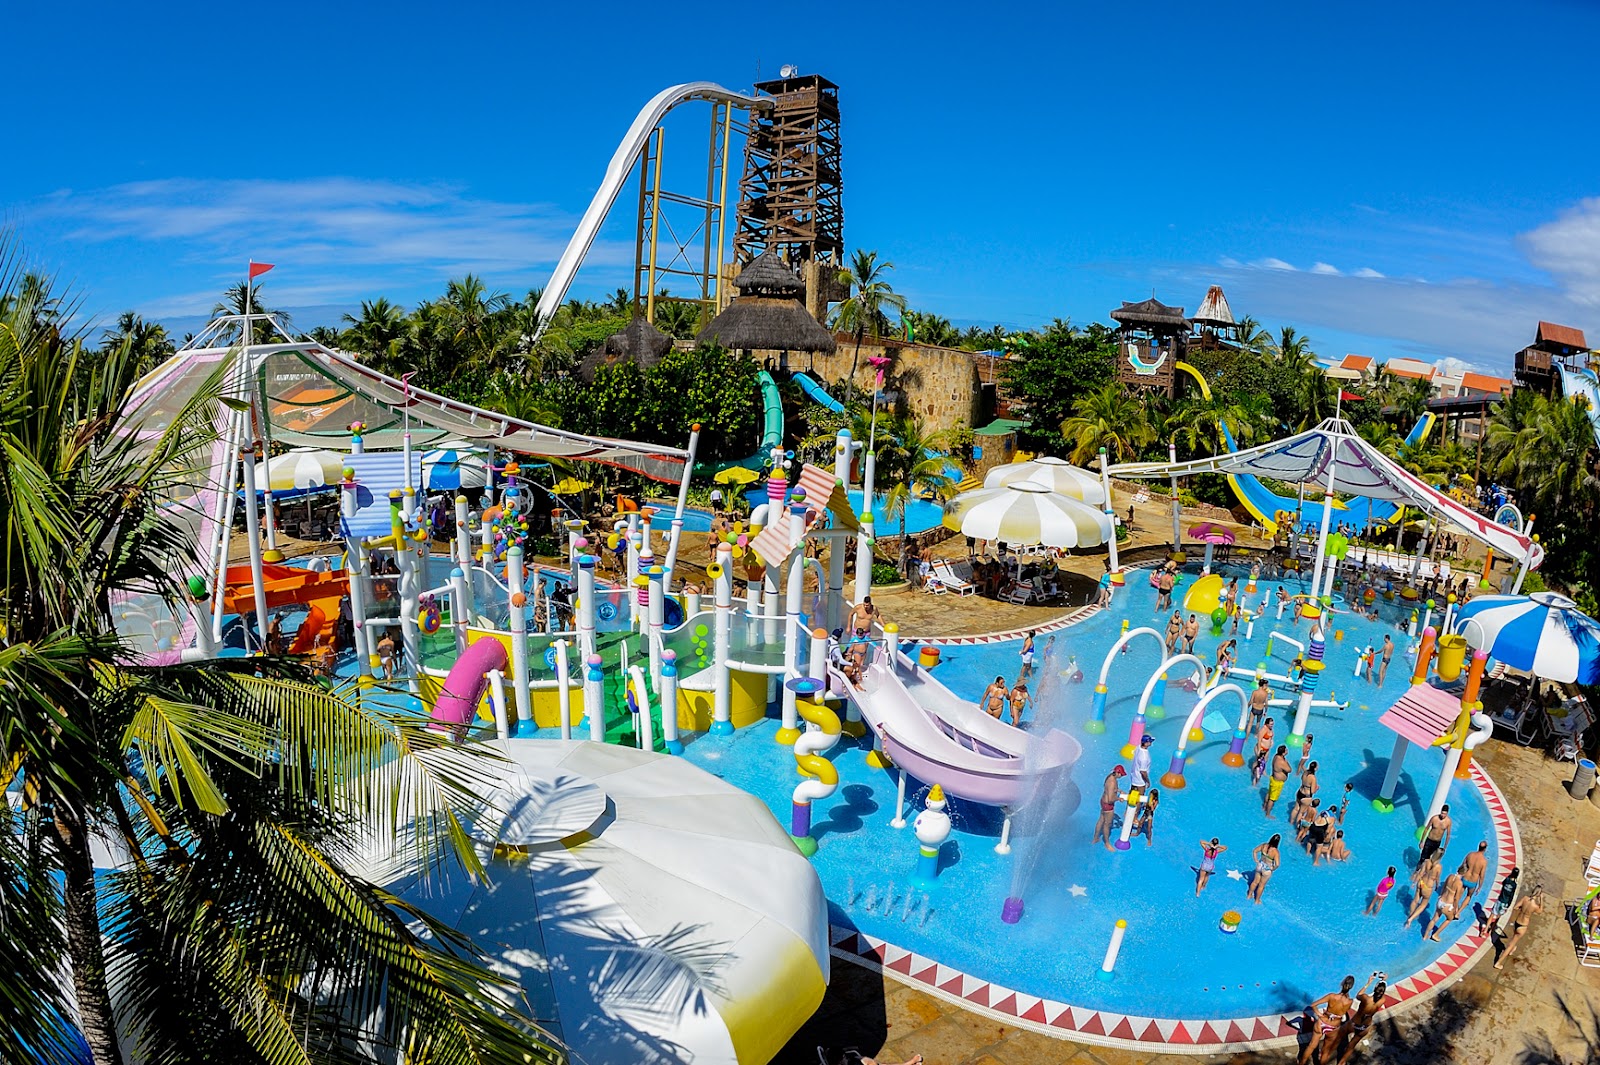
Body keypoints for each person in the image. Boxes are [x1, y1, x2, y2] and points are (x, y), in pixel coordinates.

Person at [1299, 974, 1356, 1065]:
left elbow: (1313, 1005)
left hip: (1322, 1022)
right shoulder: (1350, 1001)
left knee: (1311, 1046)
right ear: (1351, 987)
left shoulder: (1331, 996)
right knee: (1326, 1052)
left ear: (1342, 984)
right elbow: (1343, 1012)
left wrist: (1319, 1014)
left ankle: (1301, 1063)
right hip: (1333, 1027)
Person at [1334, 976, 1387, 1065]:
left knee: (1338, 1036)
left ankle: (1325, 1053)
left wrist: (1368, 982)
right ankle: (1342, 1063)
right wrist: (1383, 981)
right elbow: (1381, 992)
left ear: (1375, 988)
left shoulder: (1366, 998)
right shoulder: (1382, 1000)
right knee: (1351, 1046)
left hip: (1354, 1024)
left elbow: (1358, 995)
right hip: (1364, 1027)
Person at [1496, 884, 1544, 969]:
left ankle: (1512, 949)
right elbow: (1540, 911)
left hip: (1517, 921)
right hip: (1523, 925)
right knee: (1511, 943)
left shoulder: (1525, 899)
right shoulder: (1534, 906)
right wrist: (1541, 899)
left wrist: (1521, 909)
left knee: (1514, 937)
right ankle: (1498, 962)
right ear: (1538, 894)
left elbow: (1515, 907)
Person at [1404, 852, 1443, 929]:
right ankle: (1411, 919)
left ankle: (1410, 915)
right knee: (1423, 904)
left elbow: (1421, 873)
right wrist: (1437, 885)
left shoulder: (1426, 861)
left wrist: (1414, 883)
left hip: (1421, 882)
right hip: (1428, 887)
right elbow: (1437, 878)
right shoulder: (1439, 867)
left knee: (1415, 900)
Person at [1094, 766, 1127, 849]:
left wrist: (1118, 790)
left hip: (1103, 801)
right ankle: (1107, 843)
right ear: (1118, 773)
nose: (1121, 776)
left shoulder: (1110, 777)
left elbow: (1110, 789)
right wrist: (1119, 798)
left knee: (1101, 819)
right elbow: (1110, 798)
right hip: (1108, 805)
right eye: (1121, 775)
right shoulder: (1112, 782)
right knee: (1107, 824)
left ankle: (1095, 838)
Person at [1425, 871, 1465, 941]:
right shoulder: (1459, 883)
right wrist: (1456, 910)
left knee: (1434, 919)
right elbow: (1456, 899)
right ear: (1464, 874)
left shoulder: (1450, 876)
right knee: (1449, 919)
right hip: (1448, 905)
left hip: (1441, 901)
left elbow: (1443, 887)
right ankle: (1435, 935)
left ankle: (1425, 935)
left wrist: (1440, 895)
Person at [1482, 865, 1520, 935]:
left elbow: (1503, 883)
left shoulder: (1507, 880)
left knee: (1492, 915)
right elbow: (1511, 896)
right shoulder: (1514, 885)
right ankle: (1491, 930)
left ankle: (1485, 930)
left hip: (1499, 900)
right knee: (1497, 917)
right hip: (1505, 903)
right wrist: (1508, 905)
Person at [1249, 833, 1281, 903]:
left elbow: (1254, 851)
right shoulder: (1275, 852)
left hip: (1260, 865)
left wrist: (1256, 860)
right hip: (1267, 869)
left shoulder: (1264, 845)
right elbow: (1277, 864)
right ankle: (1257, 900)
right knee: (1261, 885)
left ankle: (1249, 895)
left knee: (1255, 882)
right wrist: (1273, 869)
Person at [1459, 840, 1489, 908]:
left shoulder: (1470, 854)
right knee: (1468, 896)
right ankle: (1458, 912)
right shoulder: (1484, 861)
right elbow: (1481, 876)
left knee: (1459, 894)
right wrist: (1479, 887)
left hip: (1465, 878)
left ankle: (1454, 908)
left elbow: (1463, 865)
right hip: (1473, 881)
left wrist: (1459, 875)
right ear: (1485, 849)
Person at [1264, 745, 1292, 815]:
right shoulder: (1282, 761)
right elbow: (1289, 770)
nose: (1287, 751)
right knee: (1272, 799)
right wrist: (1286, 761)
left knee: (1269, 793)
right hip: (1277, 782)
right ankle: (1268, 813)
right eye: (1286, 750)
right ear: (1283, 753)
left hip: (1273, 779)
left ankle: (1264, 806)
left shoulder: (1276, 756)